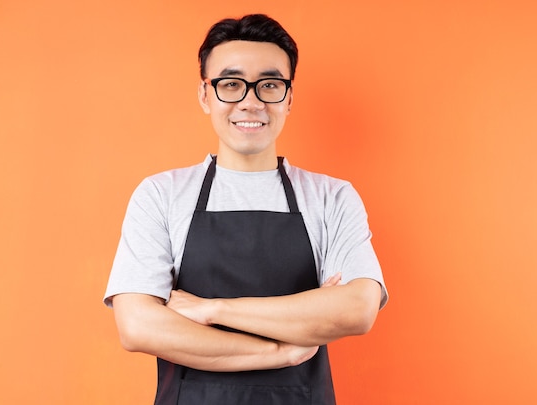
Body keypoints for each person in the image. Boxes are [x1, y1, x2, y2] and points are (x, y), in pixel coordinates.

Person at [104, 13, 388, 405]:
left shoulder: (332, 197)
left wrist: (211, 309)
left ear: (289, 98)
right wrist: (278, 352)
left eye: (269, 85)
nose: (250, 102)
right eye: (231, 84)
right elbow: (137, 326)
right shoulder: (161, 194)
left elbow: (356, 309)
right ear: (206, 95)